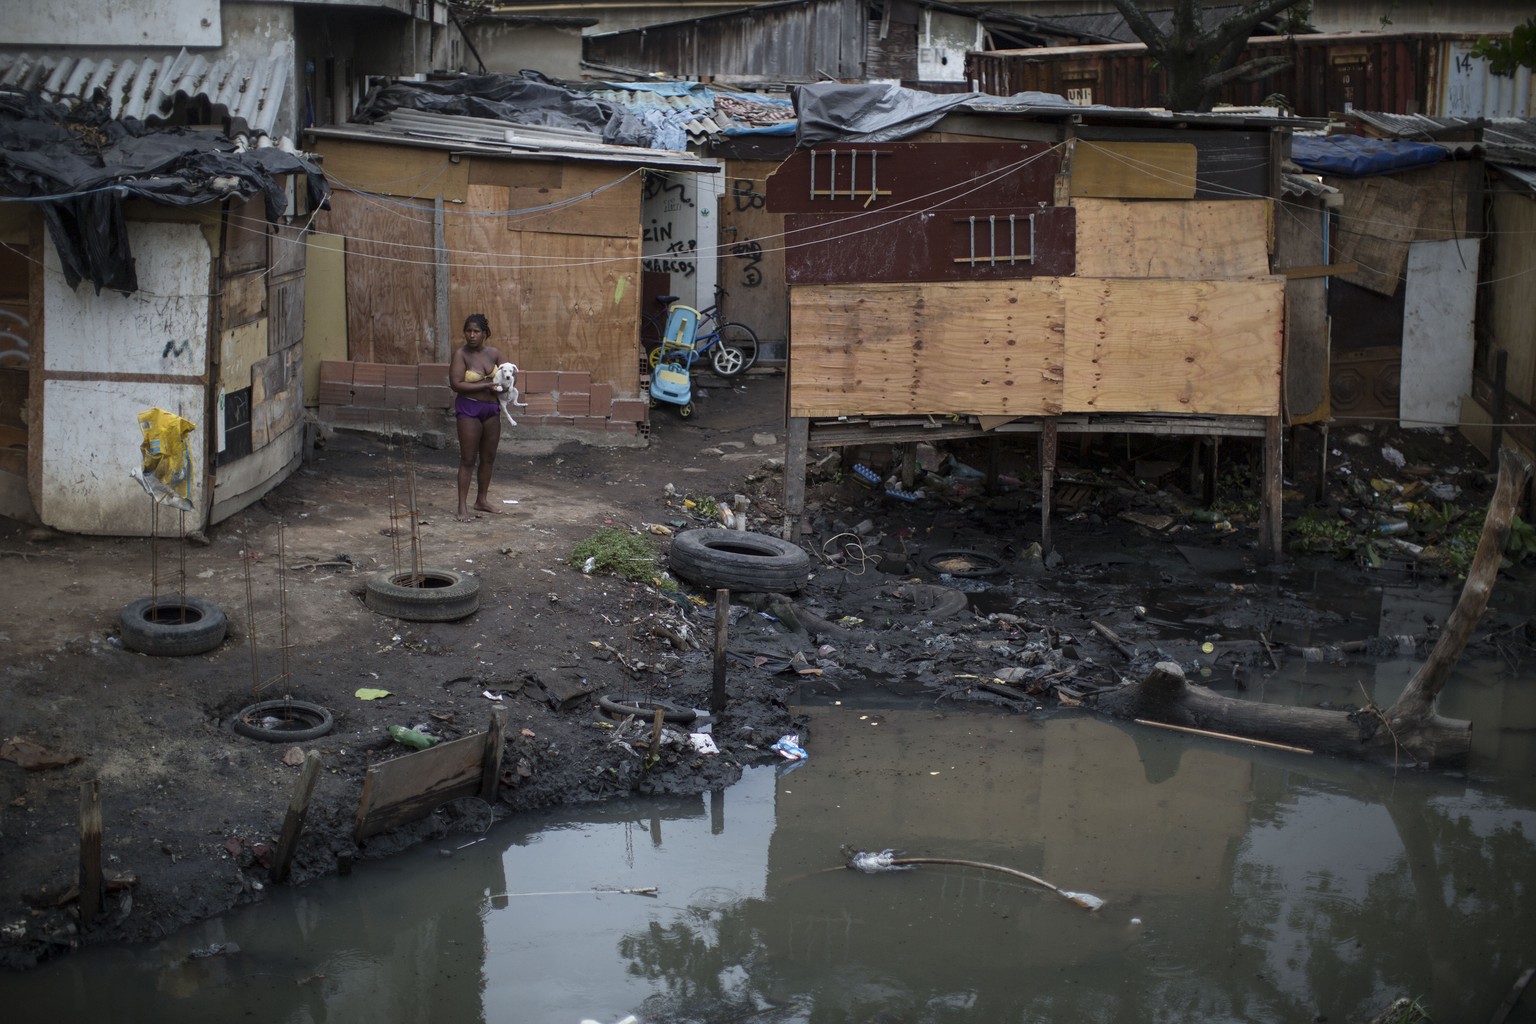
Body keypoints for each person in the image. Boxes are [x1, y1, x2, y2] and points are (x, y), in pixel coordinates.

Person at [449, 312, 509, 522]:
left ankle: (481, 500)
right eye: (468, 331)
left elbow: (508, 374)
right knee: (468, 459)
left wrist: (508, 385)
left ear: (485, 333)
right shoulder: (461, 355)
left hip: (491, 410)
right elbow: (456, 384)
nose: (471, 335)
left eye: (476, 331)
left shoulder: (494, 354)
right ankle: (461, 506)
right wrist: (485, 384)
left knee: (488, 457)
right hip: (469, 408)